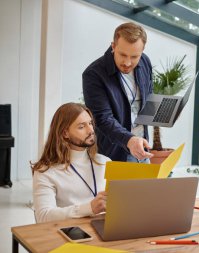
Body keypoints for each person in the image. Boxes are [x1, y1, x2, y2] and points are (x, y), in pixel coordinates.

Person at [82, 22, 153, 163]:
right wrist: (129, 140)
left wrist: (167, 111)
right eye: (123, 55)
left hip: (142, 147)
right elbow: (102, 118)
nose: (127, 62)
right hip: (113, 153)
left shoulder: (145, 62)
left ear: (142, 51)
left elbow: (148, 95)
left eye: (134, 57)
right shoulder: (93, 74)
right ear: (113, 46)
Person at [32, 103, 110, 223]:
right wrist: (89, 208)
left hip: (105, 229)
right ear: (65, 134)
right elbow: (43, 216)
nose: (91, 130)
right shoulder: (46, 171)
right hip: (69, 233)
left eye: (90, 123)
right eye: (81, 127)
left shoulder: (105, 162)